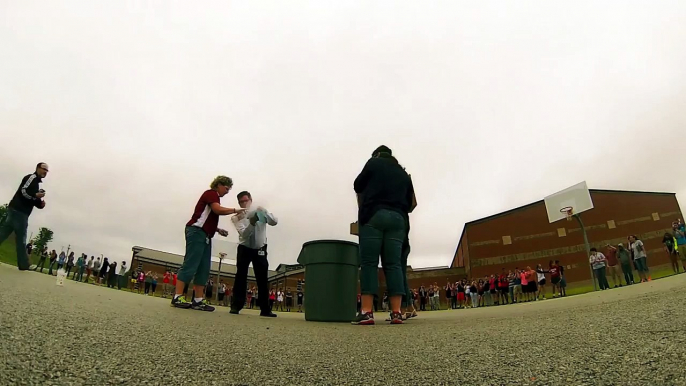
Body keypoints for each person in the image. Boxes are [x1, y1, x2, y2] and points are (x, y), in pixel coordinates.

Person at [352, 145, 414, 325]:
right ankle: (396, 313)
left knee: (369, 263)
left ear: (377, 154)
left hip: (374, 215)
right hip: (398, 219)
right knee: (394, 264)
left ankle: (366, 312)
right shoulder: (403, 173)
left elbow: (357, 185)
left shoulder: (373, 163)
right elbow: (410, 200)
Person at [171, 176, 242, 311]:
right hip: (196, 232)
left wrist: (217, 229)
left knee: (203, 267)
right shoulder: (211, 194)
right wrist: (235, 210)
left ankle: (198, 300)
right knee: (191, 263)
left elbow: (205, 217)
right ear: (219, 185)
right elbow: (217, 210)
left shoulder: (215, 198)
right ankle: (177, 296)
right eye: (226, 188)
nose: (227, 192)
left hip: (205, 235)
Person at [229, 191, 278, 317]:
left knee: (262, 278)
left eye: (246, 200)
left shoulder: (260, 211)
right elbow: (244, 234)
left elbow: (274, 222)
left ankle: (265, 309)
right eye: (241, 202)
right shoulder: (237, 217)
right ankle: (236, 306)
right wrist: (251, 222)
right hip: (245, 247)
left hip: (260, 248)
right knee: (241, 276)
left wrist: (264, 211)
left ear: (251, 200)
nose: (245, 203)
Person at [0, 163, 48, 270]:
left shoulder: (36, 183)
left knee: (3, 233)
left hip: (17, 210)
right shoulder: (31, 178)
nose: (45, 172)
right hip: (19, 211)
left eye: (47, 171)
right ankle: (23, 264)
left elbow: (30, 198)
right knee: (21, 239)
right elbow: (23, 191)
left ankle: (23, 264)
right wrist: (35, 196)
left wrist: (40, 203)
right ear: (38, 168)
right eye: (44, 169)